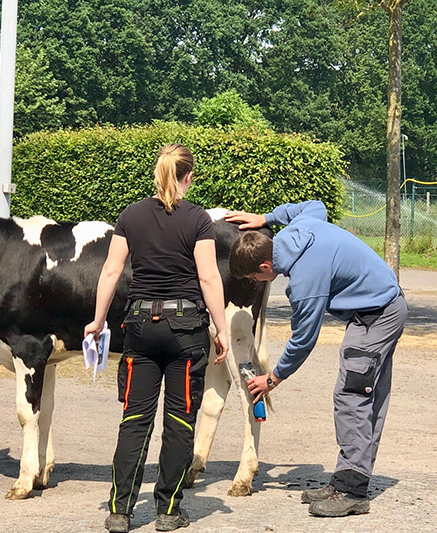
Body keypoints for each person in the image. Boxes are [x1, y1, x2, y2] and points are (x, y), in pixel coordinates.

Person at [224, 200, 407, 517]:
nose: (254, 284)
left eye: (253, 278)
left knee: (352, 394)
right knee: (365, 395)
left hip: (377, 317)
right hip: (378, 308)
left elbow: (304, 339)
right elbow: (315, 205)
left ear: (265, 268)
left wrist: (273, 377)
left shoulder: (305, 280)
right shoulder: (298, 230)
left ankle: (352, 491)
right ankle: (347, 479)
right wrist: (266, 217)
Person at [85, 143, 229, 533]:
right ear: (189, 177)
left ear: (157, 173)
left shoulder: (130, 215)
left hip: (140, 330)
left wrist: (97, 321)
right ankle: (168, 512)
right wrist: (222, 328)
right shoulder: (198, 219)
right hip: (186, 332)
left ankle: (119, 511)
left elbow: (111, 273)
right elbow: (208, 277)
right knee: (180, 420)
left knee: (134, 419)